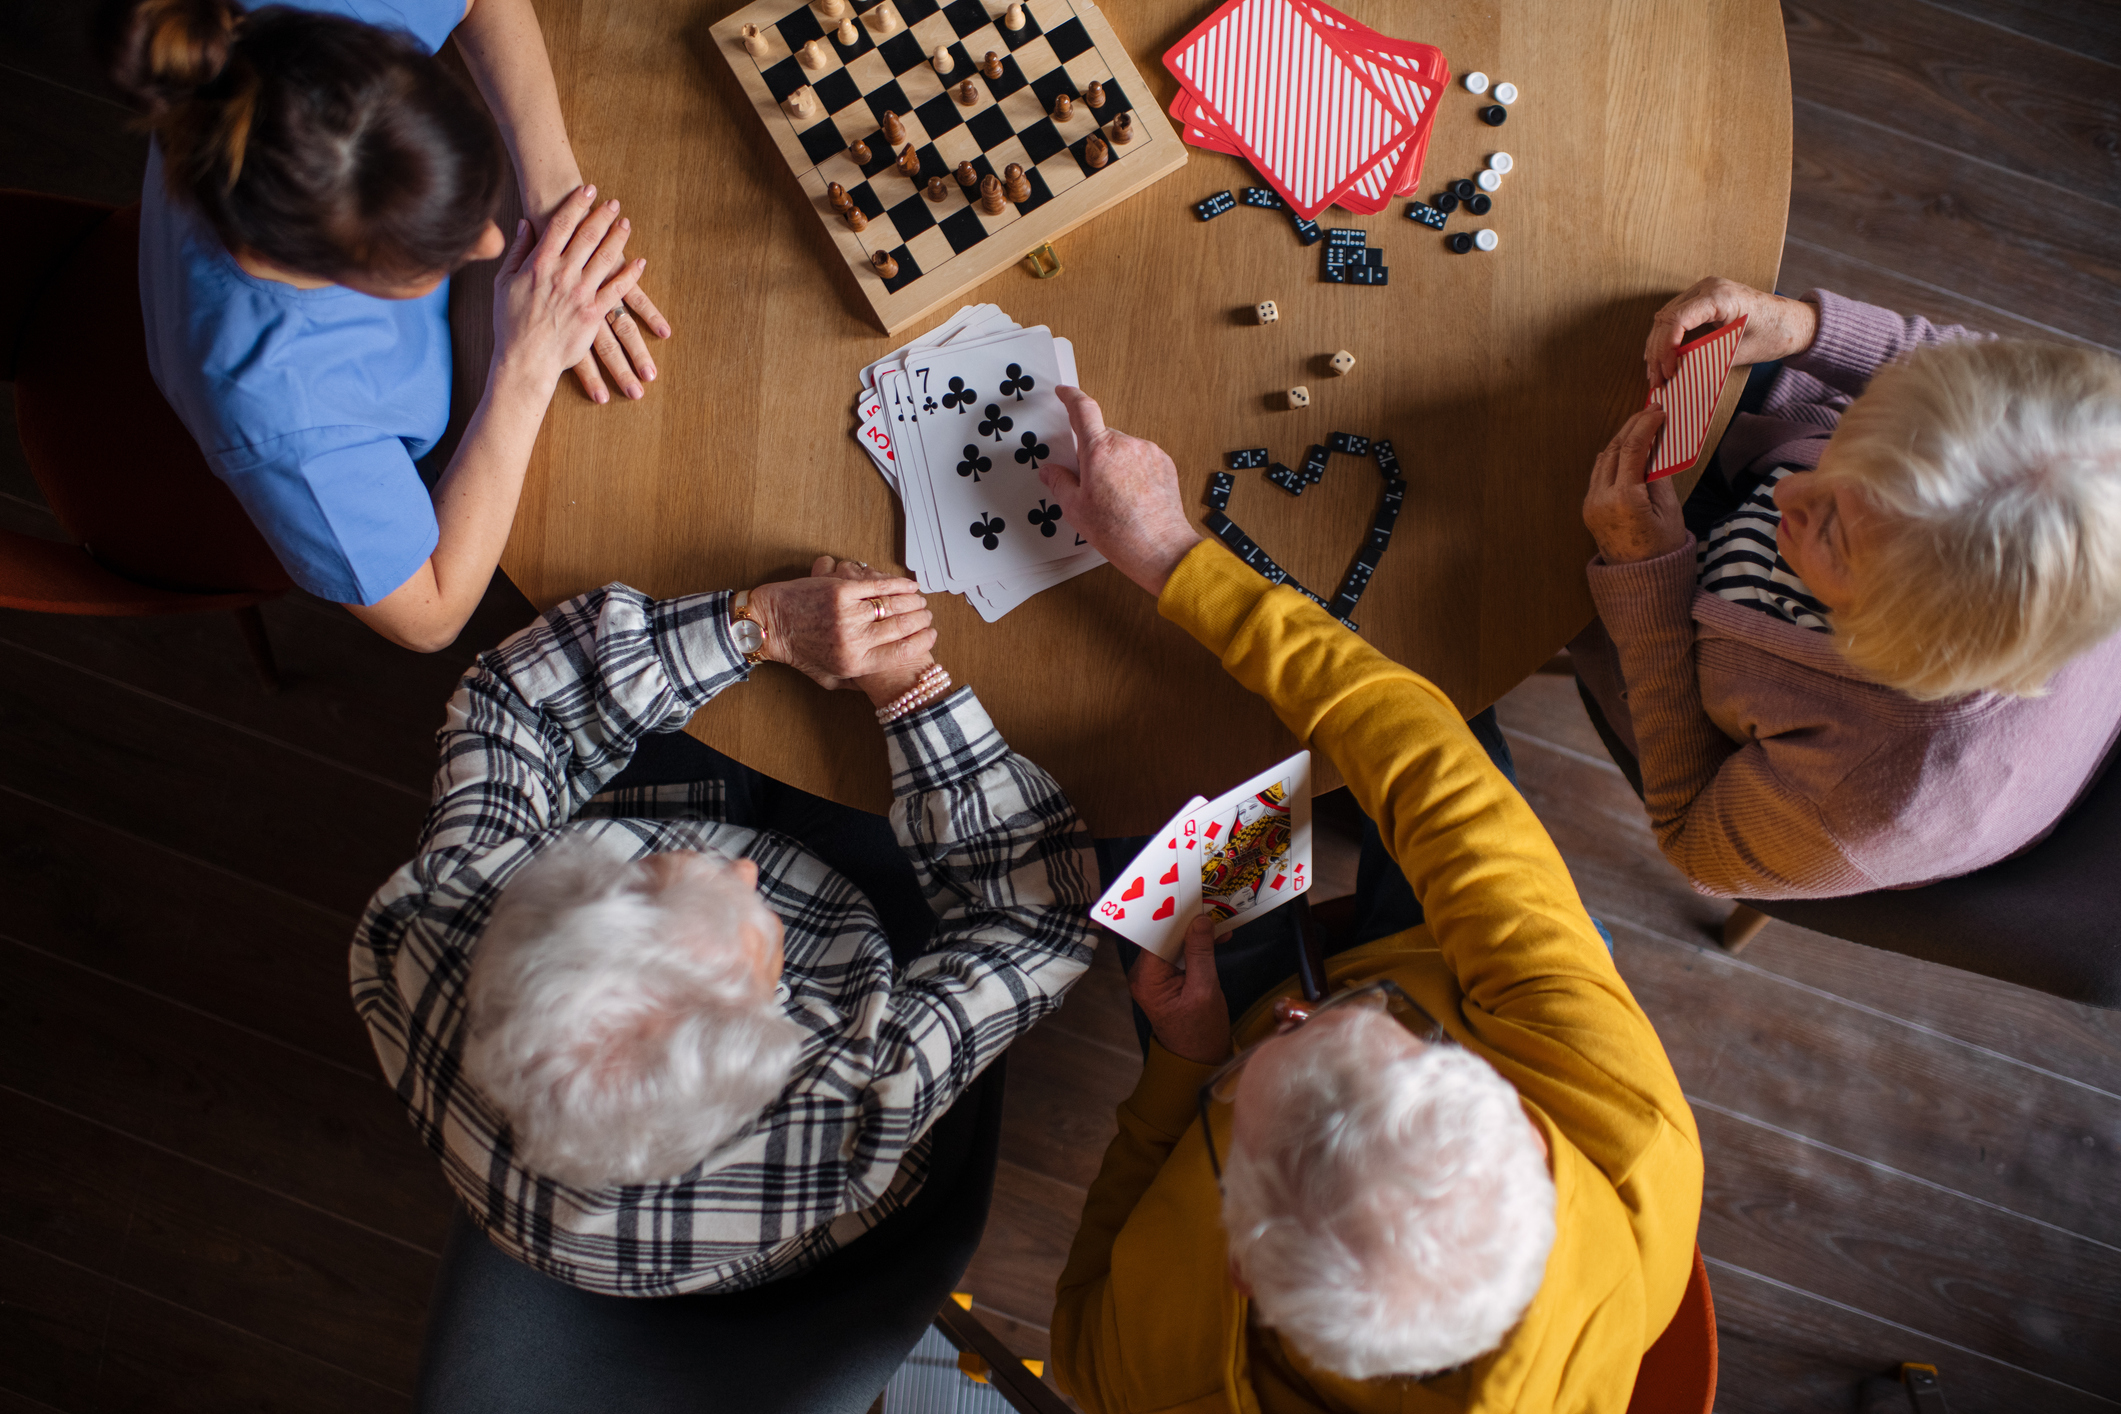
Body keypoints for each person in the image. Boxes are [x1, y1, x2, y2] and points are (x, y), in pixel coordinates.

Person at [1037, 388, 1702, 1412]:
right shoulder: (1628, 1135)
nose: (1303, 1011)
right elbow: (1436, 775)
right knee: (1433, 700)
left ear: (1241, 1268)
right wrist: (1178, 558)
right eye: (1401, 1034)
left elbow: (1078, 1325)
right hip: (1457, 963)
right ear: (1521, 1127)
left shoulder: (1148, 1377)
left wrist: (1191, 1065)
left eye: (1280, 1050)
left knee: (1116, 757)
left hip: (1209, 1018)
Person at [349, 558, 1095, 1296]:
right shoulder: (850, 1098)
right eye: (756, 942)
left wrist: (755, 624)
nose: (740, 872)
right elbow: (1042, 915)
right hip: (848, 976)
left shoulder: (446, 913)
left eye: (648, 874)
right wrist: (908, 688)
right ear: (779, 1032)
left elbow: (513, 700)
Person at [103, 0, 672, 652]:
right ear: (334, 274)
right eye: (437, 251)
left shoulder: (316, 49)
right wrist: (526, 362)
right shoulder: (282, 418)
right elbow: (431, 616)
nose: (488, 243)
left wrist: (552, 194)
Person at [1572, 278, 2121, 898]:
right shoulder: (2091, 459)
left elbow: (1692, 838)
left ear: (1902, 633)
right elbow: (1965, 377)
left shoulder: (1866, 795)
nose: (1788, 493)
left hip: (1689, 680)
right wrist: (1802, 329)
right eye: (1851, 439)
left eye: (1834, 534)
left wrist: (1648, 586)